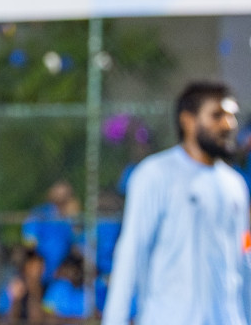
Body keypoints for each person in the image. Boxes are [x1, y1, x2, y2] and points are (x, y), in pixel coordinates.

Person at [102, 80, 251, 325]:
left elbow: (243, 262)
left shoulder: (235, 184)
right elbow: (131, 253)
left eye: (232, 116)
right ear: (188, 120)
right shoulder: (156, 174)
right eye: (217, 116)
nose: (228, 125)